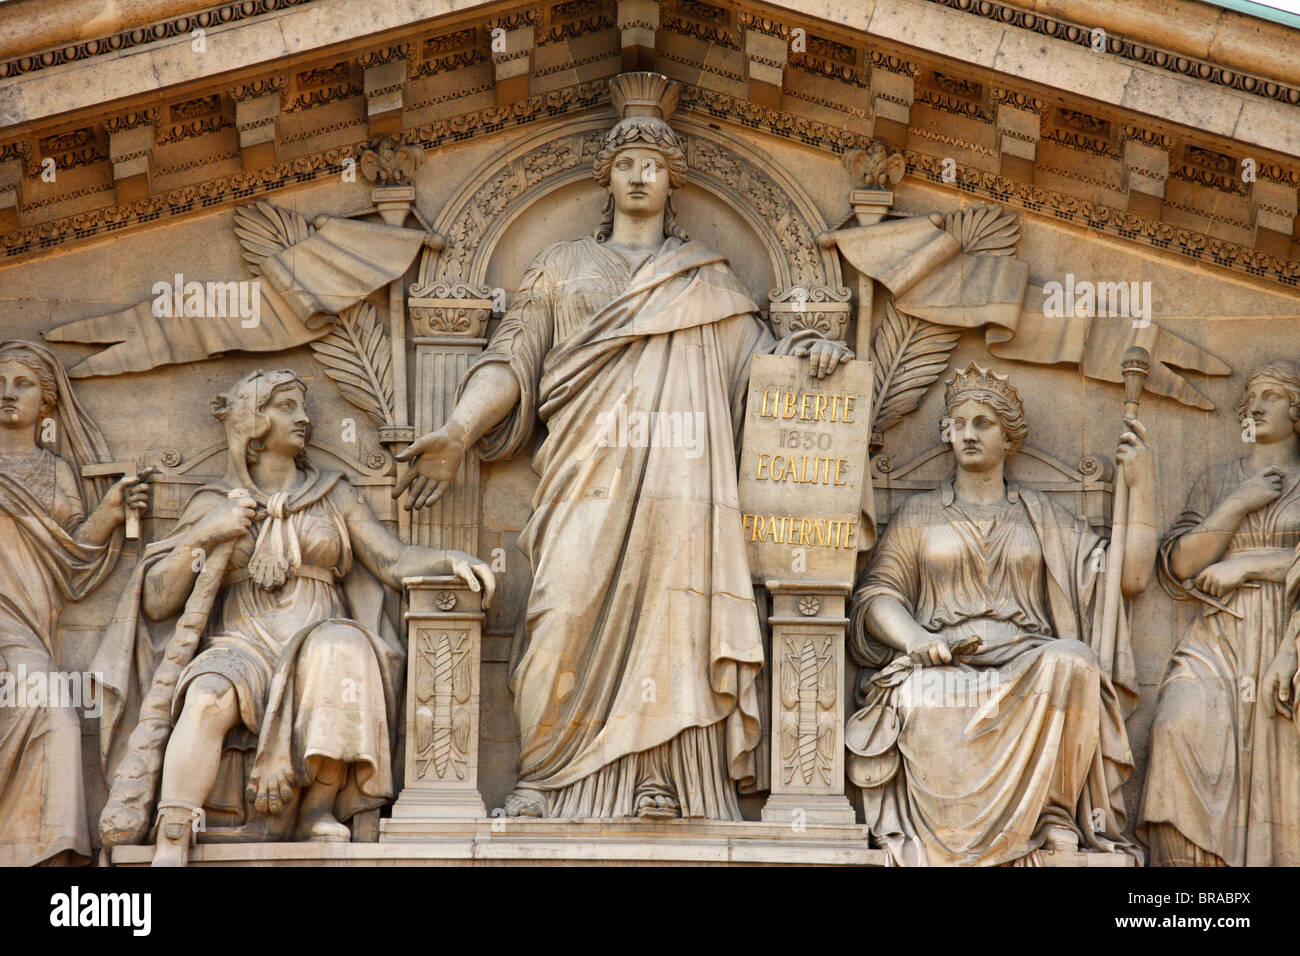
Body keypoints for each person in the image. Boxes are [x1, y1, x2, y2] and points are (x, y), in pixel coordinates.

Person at [394, 72, 853, 820]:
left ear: (674, 183)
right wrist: (455, 431)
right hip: (585, 477)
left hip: (685, 493)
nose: (640, 174)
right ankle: (544, 778)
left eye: (655, 165)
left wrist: (809, 357)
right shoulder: (563, 267)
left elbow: (759, 378)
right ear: (605, 179)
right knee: (559, 612)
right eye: (626, 164)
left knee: (680, 616)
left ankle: (666, 779)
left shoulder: (707, 279)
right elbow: (512, 359)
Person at [96, 369, 493, 865]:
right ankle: (174, 832)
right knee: (205, 698)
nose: (303, 417)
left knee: (342, 650)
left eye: (301, 406)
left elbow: (391, 560)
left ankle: (317, 811)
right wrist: (206, 536)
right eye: (286, 405)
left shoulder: (334, 494)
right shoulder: (214, 504)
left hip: (315, 634)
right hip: (240, 642)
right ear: (252, 420)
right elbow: (157, 601)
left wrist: (450, 560)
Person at [845, 364, 1153, 866]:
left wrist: (1142, 488)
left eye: (983, 422)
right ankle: (950, 837)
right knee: (922, 695)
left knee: (1074, 663)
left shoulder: (1041, 514)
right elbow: (878, 595)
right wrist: (917, 639)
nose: (968, 433)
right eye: (958, 422)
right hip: (942, 663)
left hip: (1027, 663)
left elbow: (1131, 579)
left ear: (1010, 436)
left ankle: (1052, 813)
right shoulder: (920, 514)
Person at [1140, 360, 1300, 866]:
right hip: (1218, 636)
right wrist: (1235, 504)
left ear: (1298, 410)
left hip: (1287, 635)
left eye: (1271, 394)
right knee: (1175, 725)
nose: (1255, 404)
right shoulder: (1217, 481)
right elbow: (1183, 563)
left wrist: (1248, 565)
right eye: (1250, 396)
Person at [0, 340, 150, 866]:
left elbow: (73, 558)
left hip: (26, 626)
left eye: (22, 383)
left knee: (59, 719)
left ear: (46, 402)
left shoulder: (58, 472)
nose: (6, 392)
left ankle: (50, 858)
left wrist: (109, 512)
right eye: (0, 381)